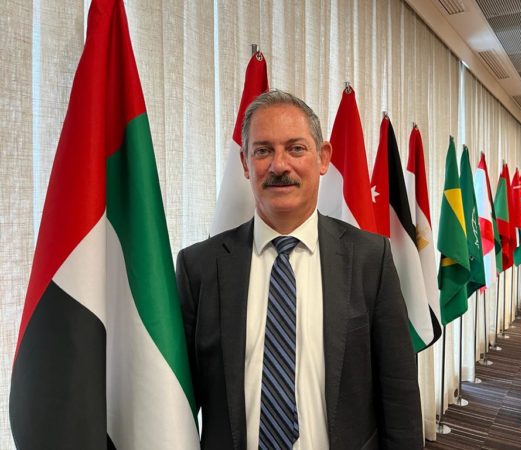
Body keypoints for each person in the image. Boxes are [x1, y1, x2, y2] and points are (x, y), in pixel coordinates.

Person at [176, 89, 423, 449]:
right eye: (263, 150)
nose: (279, 166)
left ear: (323, 158)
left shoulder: (371, 259)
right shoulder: (198, 267)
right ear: (245, 163)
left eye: (295, 148)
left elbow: (398, 393)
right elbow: (177, 402)